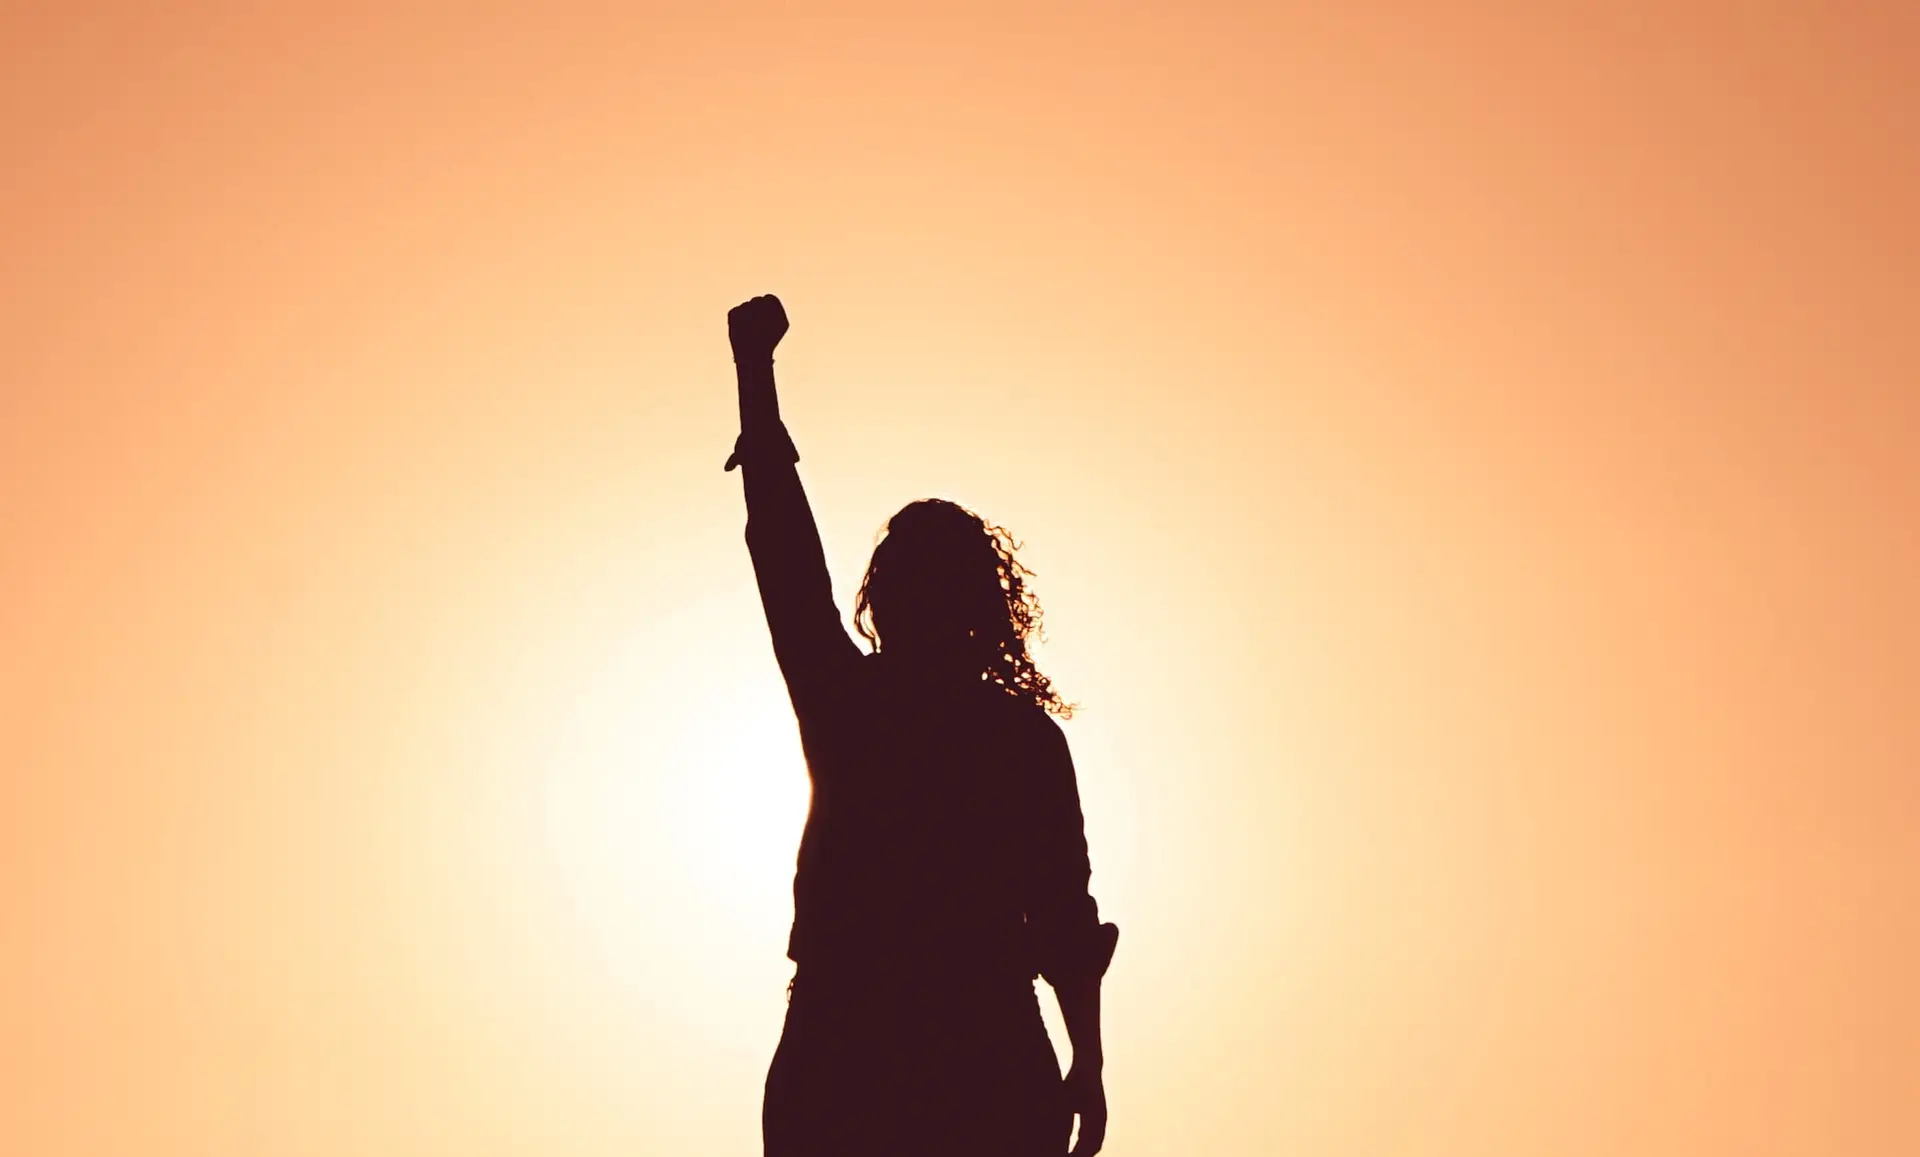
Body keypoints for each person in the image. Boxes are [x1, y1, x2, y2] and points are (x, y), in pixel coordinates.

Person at [724, 294, 1119, 1156]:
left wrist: (755, 376)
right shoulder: (997, 734)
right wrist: (1086, 1059)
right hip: (911, 1048)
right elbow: (783, 551)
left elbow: (1062, 915)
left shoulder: (864, 706)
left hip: (902, 1052)